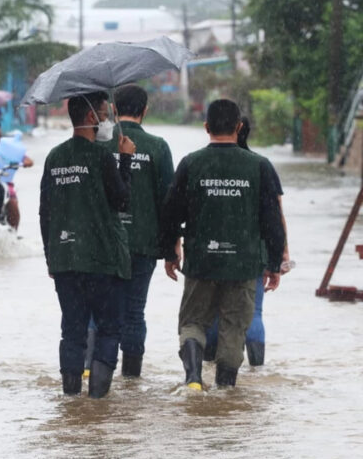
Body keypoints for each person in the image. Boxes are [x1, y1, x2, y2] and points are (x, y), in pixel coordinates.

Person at [159, 100, 285, 390]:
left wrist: (170, 251)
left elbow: (169, 213)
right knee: (233, 328)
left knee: (193, 321)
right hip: (243, 265)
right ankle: (226, 391)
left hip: (202, 262)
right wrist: (274, 263)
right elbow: (272, 221)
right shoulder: (259, 166)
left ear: (206, 128)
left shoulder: (191, 163)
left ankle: (193, 378)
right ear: (239, 128)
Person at [39, 91, 136, 398]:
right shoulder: (101, 157)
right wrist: (127, 159)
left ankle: (72, 401)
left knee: (72, 331)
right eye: (105, 113)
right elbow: (121, 200)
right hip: (102, 260)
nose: (107, 119)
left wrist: (51, 256)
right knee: (108, 328)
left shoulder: (54, 157)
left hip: (65, 260)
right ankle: (96, 402)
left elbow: (45, 212)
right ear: (92, 117)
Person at [203, 116, 291, 366]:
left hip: (214, 250)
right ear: (242, 130)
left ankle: (210, 367)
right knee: (253, 312)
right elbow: (276, 215)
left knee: (214, 313)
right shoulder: (261, 165)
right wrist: (281, 254)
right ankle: (256, 369)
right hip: (253, 252)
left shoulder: (203, 163)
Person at [100, 84, 175, 378]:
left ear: (114, 109)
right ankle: (131, 379)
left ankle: (98, 376)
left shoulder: (100, 144)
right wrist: (172, 249)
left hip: (104, 244)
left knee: (103, 313)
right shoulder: (158, 147)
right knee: (134, 312)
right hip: (144, 243)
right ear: (145, 110)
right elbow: (168, 202)